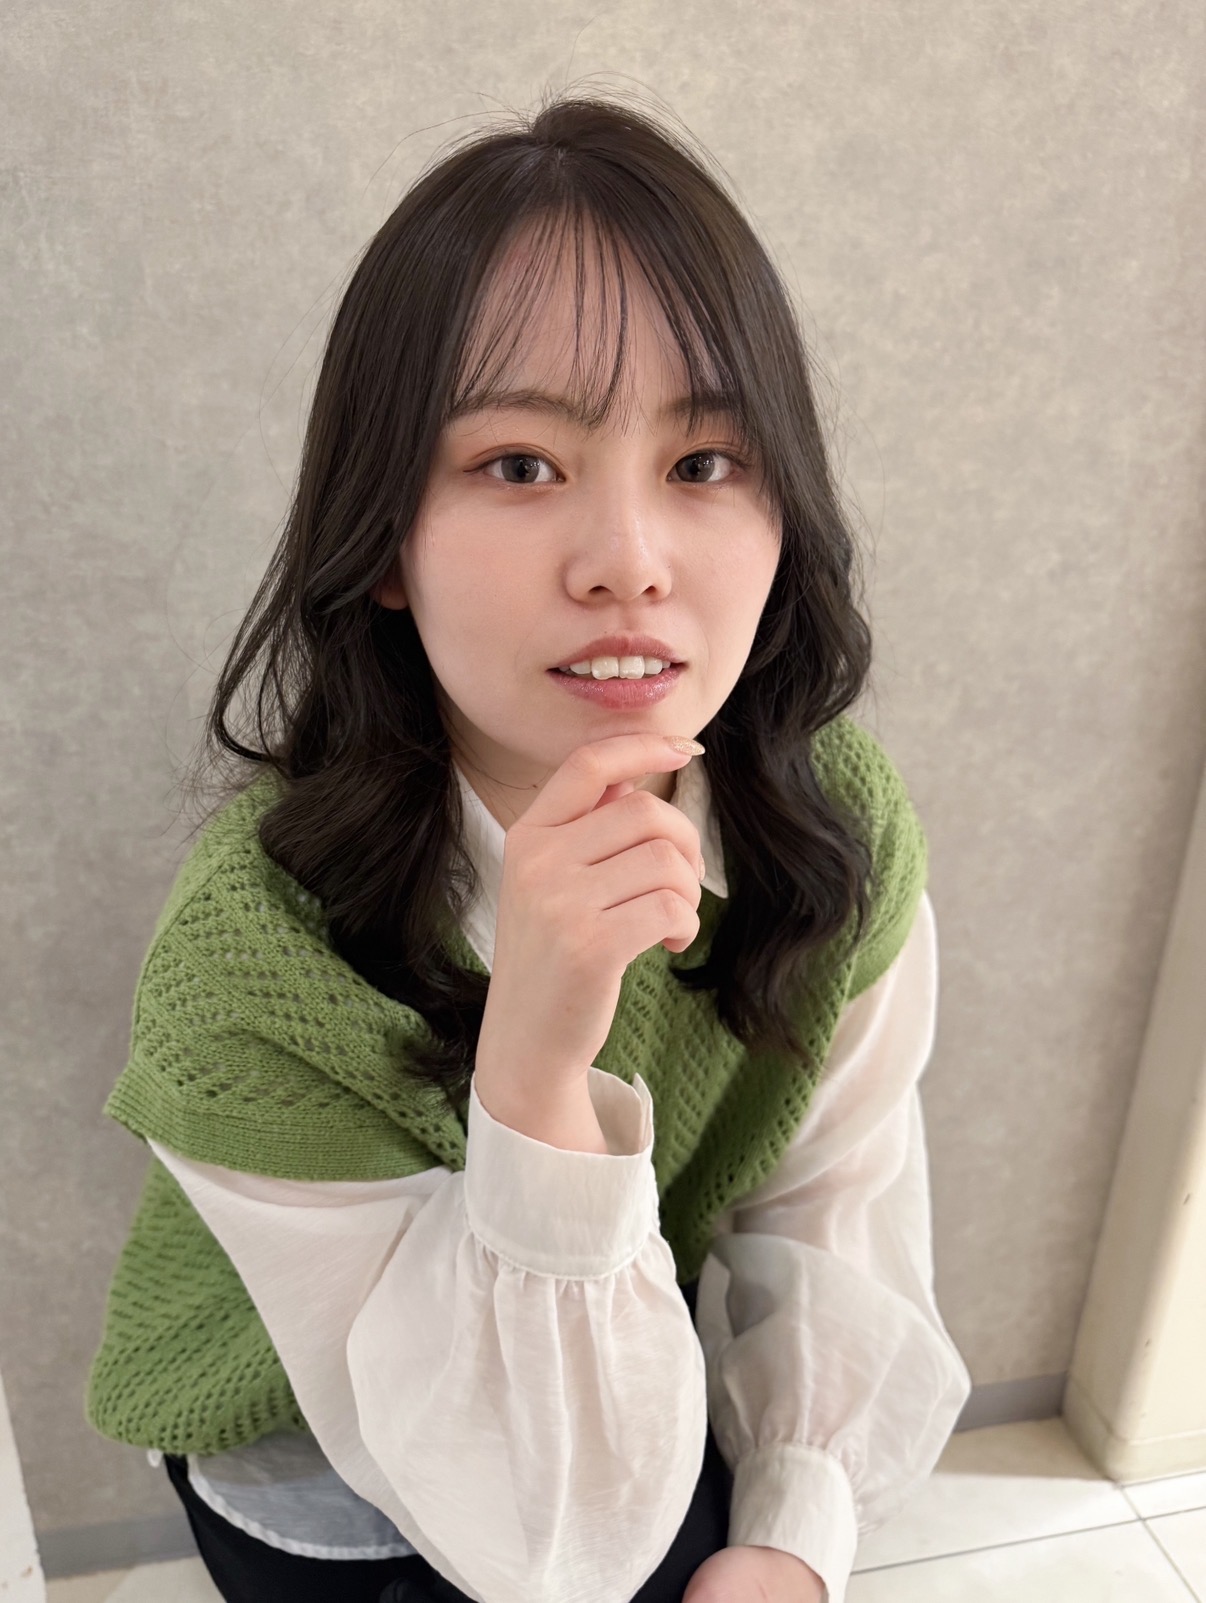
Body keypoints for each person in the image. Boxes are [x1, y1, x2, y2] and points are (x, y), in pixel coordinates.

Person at [85, 88, 972, 1603]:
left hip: (600, 1364)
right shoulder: (263, 950)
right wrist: (537, 1071)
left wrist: (792, 1530)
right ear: (382, 542)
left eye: (704, 463)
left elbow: (830, 1201)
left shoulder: (829, 831)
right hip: (316, 1463)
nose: (628, 563)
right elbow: (534, 1537)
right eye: (518, 465)